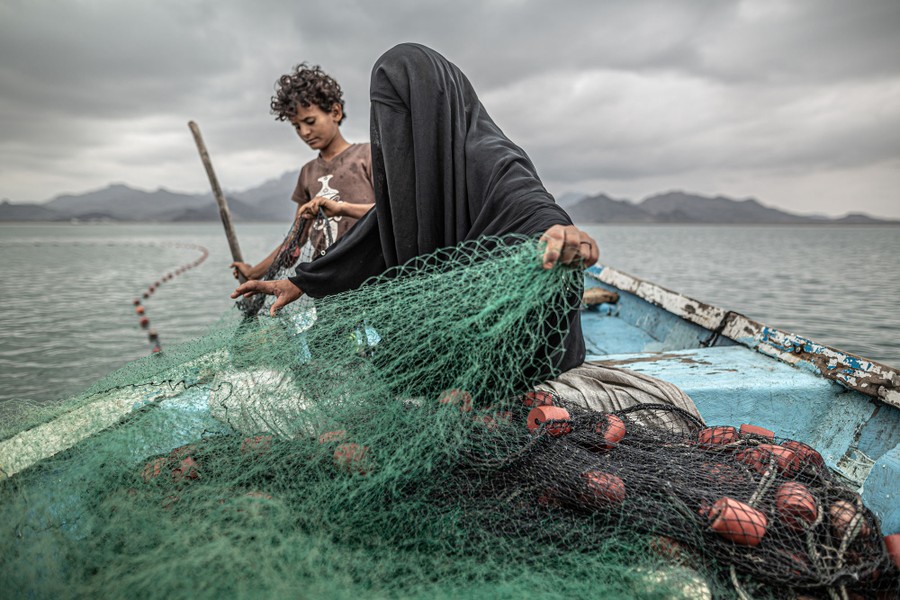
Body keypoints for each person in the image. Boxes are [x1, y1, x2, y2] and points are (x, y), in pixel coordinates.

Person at [233, 43, 599, 374]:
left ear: (432, 108)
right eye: (385, 119)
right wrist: (302, 281)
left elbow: (530, 205)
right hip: (448, 333)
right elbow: (379, 229)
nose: (393, 132)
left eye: (403, 116)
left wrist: (559, 231)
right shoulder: (410, 174)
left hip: (508, 342)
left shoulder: (489, 156)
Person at [230, 63, 375, 281]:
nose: (305, 132)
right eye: (297, 126)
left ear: (335, 112)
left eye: (310, 121)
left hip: (371, 276)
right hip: (326, 281)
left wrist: (342, 208)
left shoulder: (367, 156)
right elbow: (297, 239)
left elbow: (392, 213)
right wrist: (254, 272)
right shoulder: (308, 173)